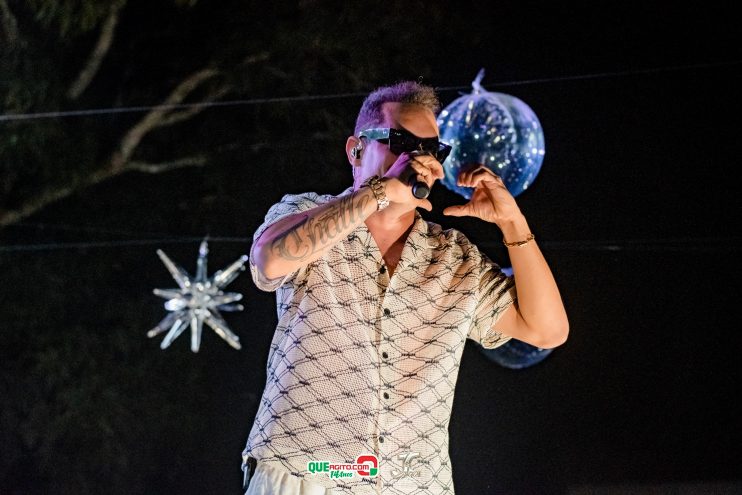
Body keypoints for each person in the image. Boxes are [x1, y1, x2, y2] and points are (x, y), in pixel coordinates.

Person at [241, 81, 569, 495]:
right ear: (356, 150)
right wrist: (379, 193)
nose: (419, 159)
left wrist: (513, 223)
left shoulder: (454, 258)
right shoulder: (306, 211)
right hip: (304, 474)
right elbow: (268, 262)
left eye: (431, 149)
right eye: (401, 143)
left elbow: (547, 330)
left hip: (415, 484)